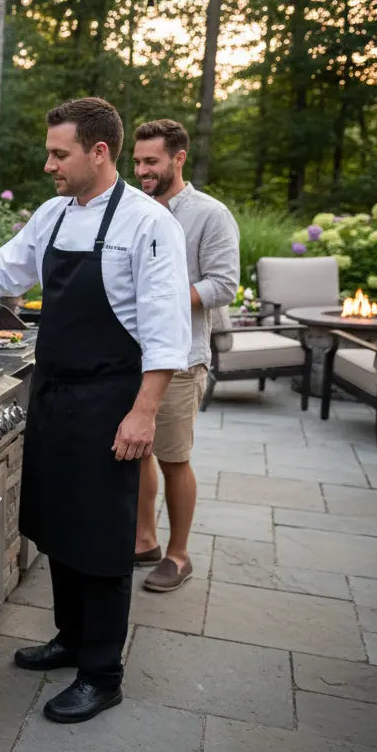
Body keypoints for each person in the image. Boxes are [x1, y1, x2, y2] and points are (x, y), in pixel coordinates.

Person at [0, 98, 191, 724]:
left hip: (113, 400)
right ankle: (71, 638)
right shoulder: (53, 215)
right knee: (61, 523)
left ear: (100, 152)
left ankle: (102, 671)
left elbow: (168, 332)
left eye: (59, 153)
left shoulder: (150, 225)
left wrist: (144, 414)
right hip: (57, 392)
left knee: (103, 537)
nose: (48, 164)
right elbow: (5, 267)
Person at [130, 120, 240, 592]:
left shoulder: (210, 215)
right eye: (136, 162)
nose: (141, 170)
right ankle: (143, 541)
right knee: (136, 453)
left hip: (179, 358)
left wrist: (163, 296)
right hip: (131, 356)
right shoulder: (132, 210)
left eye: (151, 162)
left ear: (178, 158)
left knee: (174, 457)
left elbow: (224, 285)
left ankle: (178, 555)